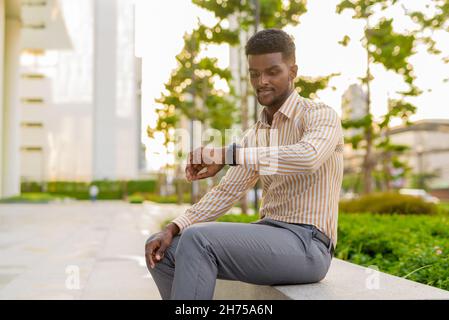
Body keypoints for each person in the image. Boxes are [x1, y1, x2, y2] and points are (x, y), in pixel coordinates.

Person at [145, 29, 344, 300]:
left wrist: (228, 154)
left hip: (308, 244)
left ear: (293, 71)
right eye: (254, 74)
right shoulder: (256, 134)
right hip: (270, 232)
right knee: (162, 250)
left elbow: (307, 156)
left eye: (272, 72)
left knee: (199, 239)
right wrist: (172, 227)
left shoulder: (320, 116)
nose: (262, 81)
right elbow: (226, 193)